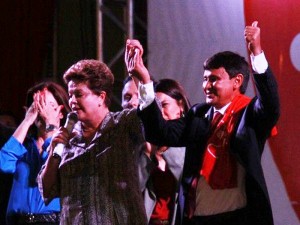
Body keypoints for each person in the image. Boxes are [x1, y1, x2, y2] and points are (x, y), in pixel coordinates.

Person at [125, 21, 280, 225]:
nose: (207, 86)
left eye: (214, 79)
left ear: (237, 81)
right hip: (196, 218)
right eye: (205, 79)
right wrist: (144, 81)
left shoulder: (249, 113)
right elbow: (159, 133)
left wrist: (257, 53)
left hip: (238, 219)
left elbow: (270, 105)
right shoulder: (199, 114)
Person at [38, 59, 147, 225]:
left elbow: (152, 118)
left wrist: (143, 79)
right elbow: (46, 190)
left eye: (79, 94)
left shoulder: (124, 125)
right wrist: (54, 154)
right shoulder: (67, 138)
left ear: (101, 97)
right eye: (70, 95)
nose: (72, 101)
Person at [121, 77, 190, 225]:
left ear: (181, 106)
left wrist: (166, 149)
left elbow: (186, 182)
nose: (160, 112)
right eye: (156, 107)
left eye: (164, 105)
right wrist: (147, 154)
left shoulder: (191, 140)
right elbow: (131, 191)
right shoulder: (138, 145)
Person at [0, 81, 71, 225]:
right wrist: (27, 121)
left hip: (52, 220)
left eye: (48, 105)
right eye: (37, 104)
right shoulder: (21, 144)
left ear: (61, 112)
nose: (41, 110)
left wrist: (51, 129)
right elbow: (4, 164)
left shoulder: (69, 144)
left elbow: (56, 170)